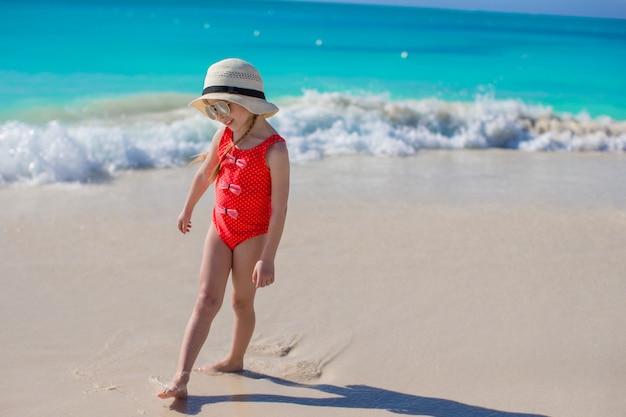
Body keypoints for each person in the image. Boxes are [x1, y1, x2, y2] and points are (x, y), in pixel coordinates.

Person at [157, 58, 290, 399]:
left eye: (223, 106)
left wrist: (269, 258)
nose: (218, 115)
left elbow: (279, 208)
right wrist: (187, 208)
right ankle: (181, 378)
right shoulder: (224, 135)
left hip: (253, 236)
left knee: (241, 304)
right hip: (220, 228)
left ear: (247, 102)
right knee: (205, 300)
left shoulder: (274, 149)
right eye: (212, 108)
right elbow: (204, 175)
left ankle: (235, 359)